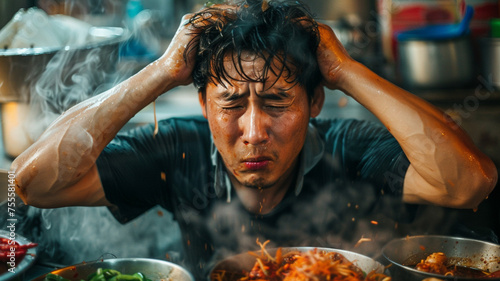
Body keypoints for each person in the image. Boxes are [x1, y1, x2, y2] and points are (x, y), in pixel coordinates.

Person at [11, 0, 497, 279]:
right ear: (204, 106)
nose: (253, 131)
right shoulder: (178, 148)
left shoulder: (347, 147)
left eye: (278, 103)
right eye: (231, 105)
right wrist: (160, 73)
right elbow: (34, 184)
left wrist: (345, 71)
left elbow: (469, 182)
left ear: (315, 104)